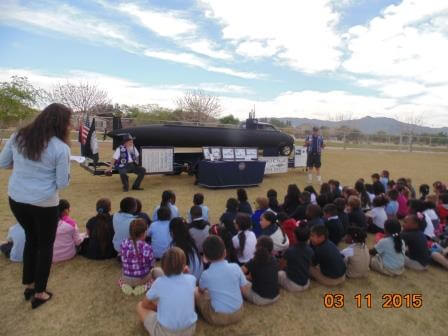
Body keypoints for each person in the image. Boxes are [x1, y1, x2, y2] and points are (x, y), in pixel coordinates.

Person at [0, 103, 72, 308]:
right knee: (44, 245)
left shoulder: (18, 136)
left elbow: (3, 162)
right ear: (61, 123)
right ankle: (39, 292)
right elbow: (62, 183)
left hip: (17, 199)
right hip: (44, 203)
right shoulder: (60, 148)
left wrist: (26, 167)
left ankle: (30, 284)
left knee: (31, 238)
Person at [137, 247, 197, 336]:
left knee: (139, 306)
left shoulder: (159, 282)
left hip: (165, 332)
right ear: (184, 265)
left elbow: (145, 304)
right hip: (190, 329)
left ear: (163, 267)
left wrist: (157, 309)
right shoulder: (192, 279)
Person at [195, 236, 249, 326]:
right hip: (238, 312)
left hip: (218, 318)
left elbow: (201, 291)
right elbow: (244, 287)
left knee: (196, 291)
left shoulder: (206, 274)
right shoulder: (235, 267)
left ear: (205, 257)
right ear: (225, 252)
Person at [120, 219, 156, 295]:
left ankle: (124, 285)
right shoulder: (147, 247)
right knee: (156, 272)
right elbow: (151, 265)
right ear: (144, 232)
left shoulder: (123, 243)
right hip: (142, 279)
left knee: (123, 275)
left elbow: (122, 259)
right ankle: (145, 286)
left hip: (126, 277)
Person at [241, 236, 280, 305]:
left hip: (261, 299)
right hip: (276, 296)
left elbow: (238, 272)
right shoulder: (274, 259)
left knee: (241, 283)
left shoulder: (254, 261)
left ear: (257, 247)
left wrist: (243, 278)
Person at [278, 226, 314, 292]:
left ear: (294, 236)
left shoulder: (290, 251)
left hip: (293, 285)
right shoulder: (311, 250)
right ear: (308, 238)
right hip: (306, 283)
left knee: (279, 273)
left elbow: (281, 266)